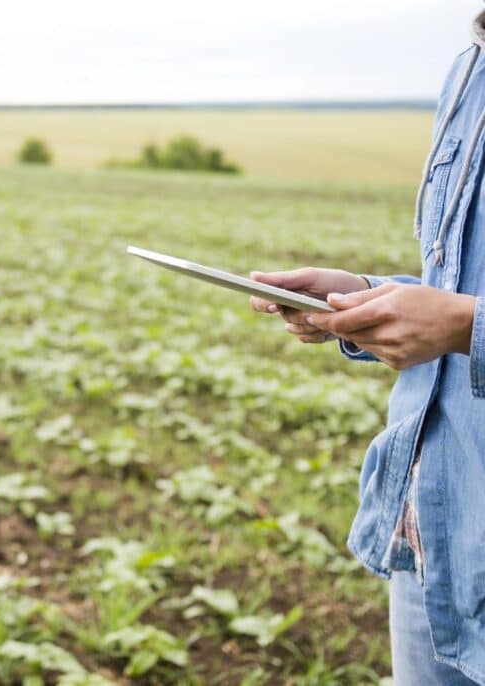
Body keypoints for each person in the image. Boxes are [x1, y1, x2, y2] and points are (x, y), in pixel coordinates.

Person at [250, 9, 485, 685]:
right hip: (434, 532)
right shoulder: (469, 69)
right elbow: (456, 287)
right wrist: (361, 295)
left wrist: (468, 326)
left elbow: (464, 315)